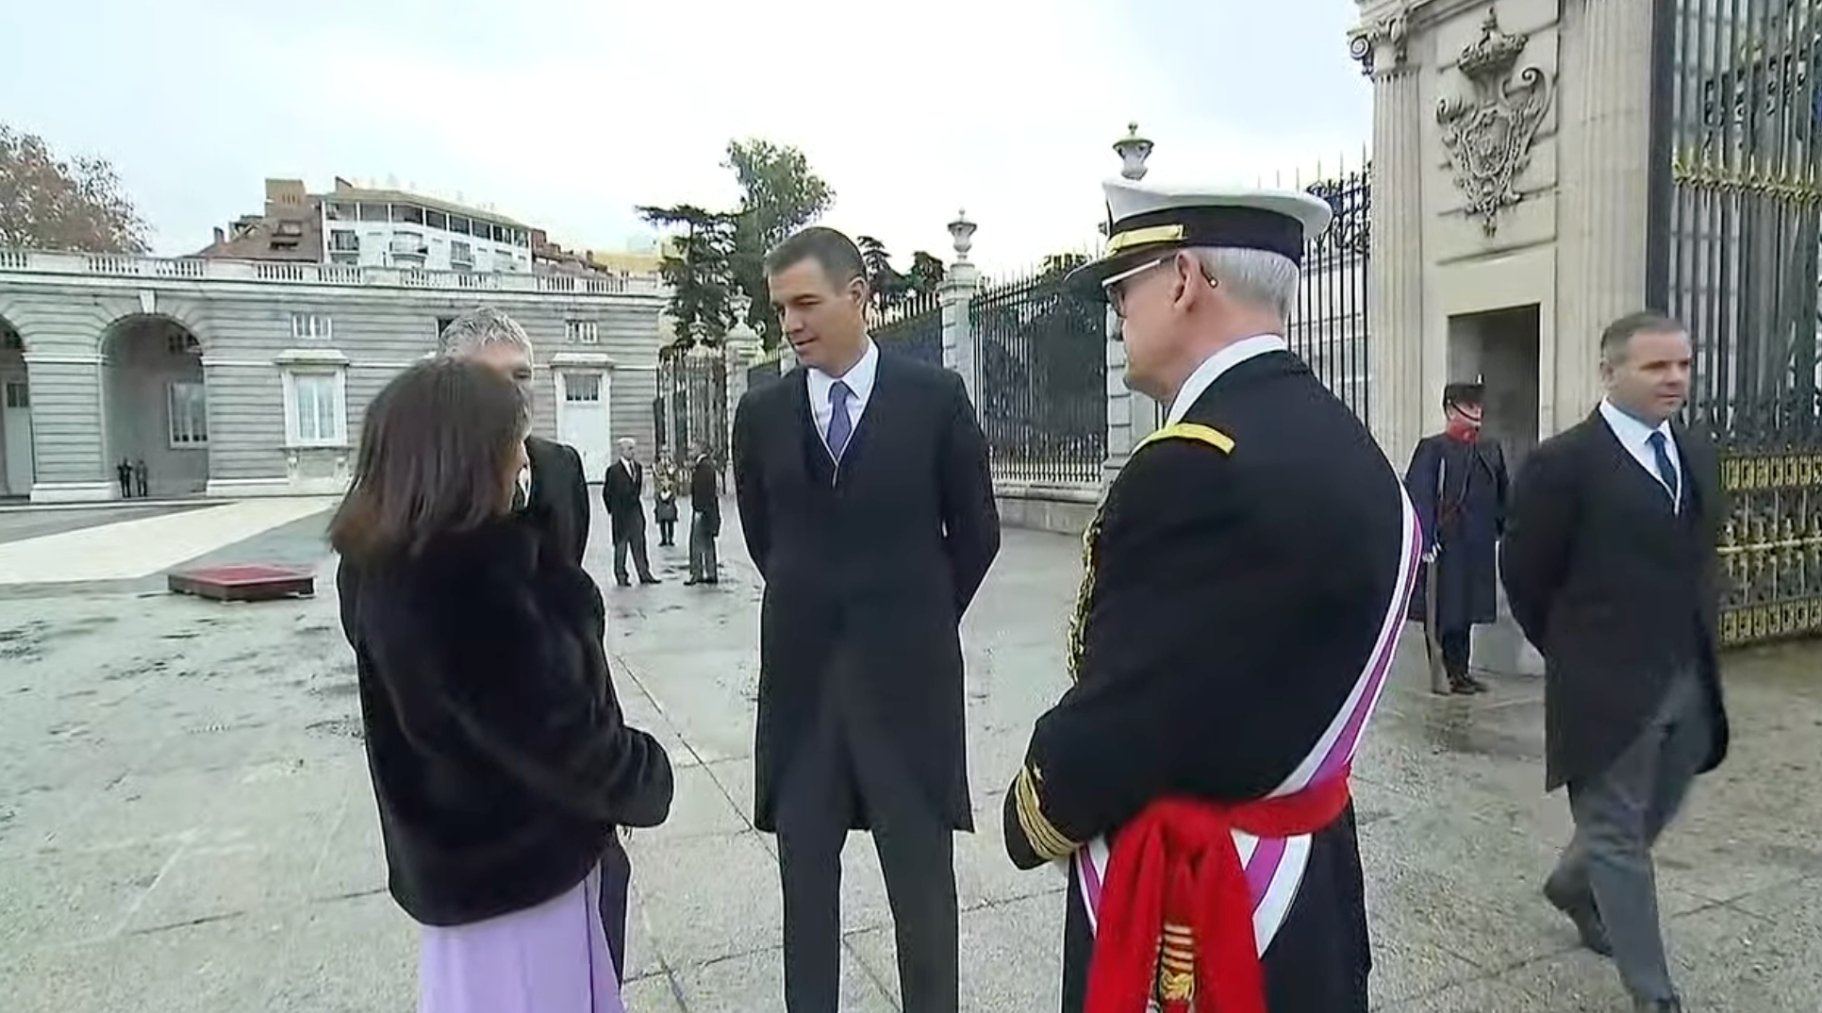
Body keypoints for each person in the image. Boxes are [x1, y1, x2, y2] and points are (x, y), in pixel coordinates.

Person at [1001, 181, 1420, 1013]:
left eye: (1125, 285)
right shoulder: (1356, 451)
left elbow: (1124, 715)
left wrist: (1031, 811)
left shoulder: (1192, 463)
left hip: (1202, 916)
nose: (1118, 307)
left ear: (1185, 278)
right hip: (1314, 888)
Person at [330, 358, 674, 1013]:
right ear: (469, 450)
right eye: (514, 437)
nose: (524, 456)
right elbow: (559, 735)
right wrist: (648, 774)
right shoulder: (474, 576)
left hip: (461, 871)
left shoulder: (385, 562)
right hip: (518, 873)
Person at [731, 226, 1000, 1013]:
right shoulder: (763, 414)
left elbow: (976, 532)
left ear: (860, 297)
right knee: (805, 905)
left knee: (923, 902)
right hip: (803, 701)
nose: (791, 323)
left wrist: (915, 616)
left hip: (908, 700)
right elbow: (764, 539)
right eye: (781, 308)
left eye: (807, 303)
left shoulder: (935, 399)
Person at [1501, 311, 1730, 1013]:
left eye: (1684, 365)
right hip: (1602, 689)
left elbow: (1696, 559)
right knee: (1618, 836)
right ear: (1611, 371)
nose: (1675, 379)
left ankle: (1575, 882)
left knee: (1642, 819)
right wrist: (1574, 652)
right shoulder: (1561, 463)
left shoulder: (1694, 449)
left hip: (1685, 682)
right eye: (1657, 366)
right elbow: (1526, 573)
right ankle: (1653, 993)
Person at [442, 306, 633, 979]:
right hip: (484, 780)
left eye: (522, 376)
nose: (513, 393)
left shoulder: (558, 466)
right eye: (494, 378)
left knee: (605, 891)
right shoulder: (417, 480)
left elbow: (575, 609)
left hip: (576, 746)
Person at [1404, 381, 1509, 695]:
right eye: (1469, 406)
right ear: (1451, 409)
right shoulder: (1433, 448)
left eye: (1478, 406)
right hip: (1446, 544)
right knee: (1443, 609)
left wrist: (1503, 528)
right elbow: (1420, 494)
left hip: (1476, 541)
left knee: (1466, 610)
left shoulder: (1489, 449)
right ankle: (1442, 670)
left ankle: (1460, 671)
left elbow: (1504, 493)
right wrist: (1425, 537)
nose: (1477, 412)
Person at [601, 437, 659, 587]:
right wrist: (612, 510)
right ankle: (621, 575)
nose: (633, 452)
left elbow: (637, 489)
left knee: (639, 544)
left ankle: (644, 573)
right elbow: (606, 493)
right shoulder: (613, 471)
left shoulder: (638, 468)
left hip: (635, 513)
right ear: (622, 451)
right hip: (620, 515)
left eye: (634, 448)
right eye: (630, 449)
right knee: (621, 547)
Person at [684, 442, 720, 586]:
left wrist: (699, 509)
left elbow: (703, 491)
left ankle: (696, 573)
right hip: (709, 510)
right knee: (707, 542)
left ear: (699, 449)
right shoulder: (707, 465)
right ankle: (711, 573)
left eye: (692, 449)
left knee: (696, 543)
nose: (689, 452)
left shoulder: (703, 467)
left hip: (702, 510)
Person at [653, 448, 680, 548]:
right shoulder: (657, 467)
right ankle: (663, 538)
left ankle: (671, 538)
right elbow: (656, 481)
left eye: (666, 452)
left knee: (671, 518)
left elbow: (676, 480)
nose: (664, 454)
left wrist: (672, 491)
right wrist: (659, 493)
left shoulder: (672, 466)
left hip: (670, 494)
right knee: (662, 518)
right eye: (662, 452)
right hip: (660, 494)